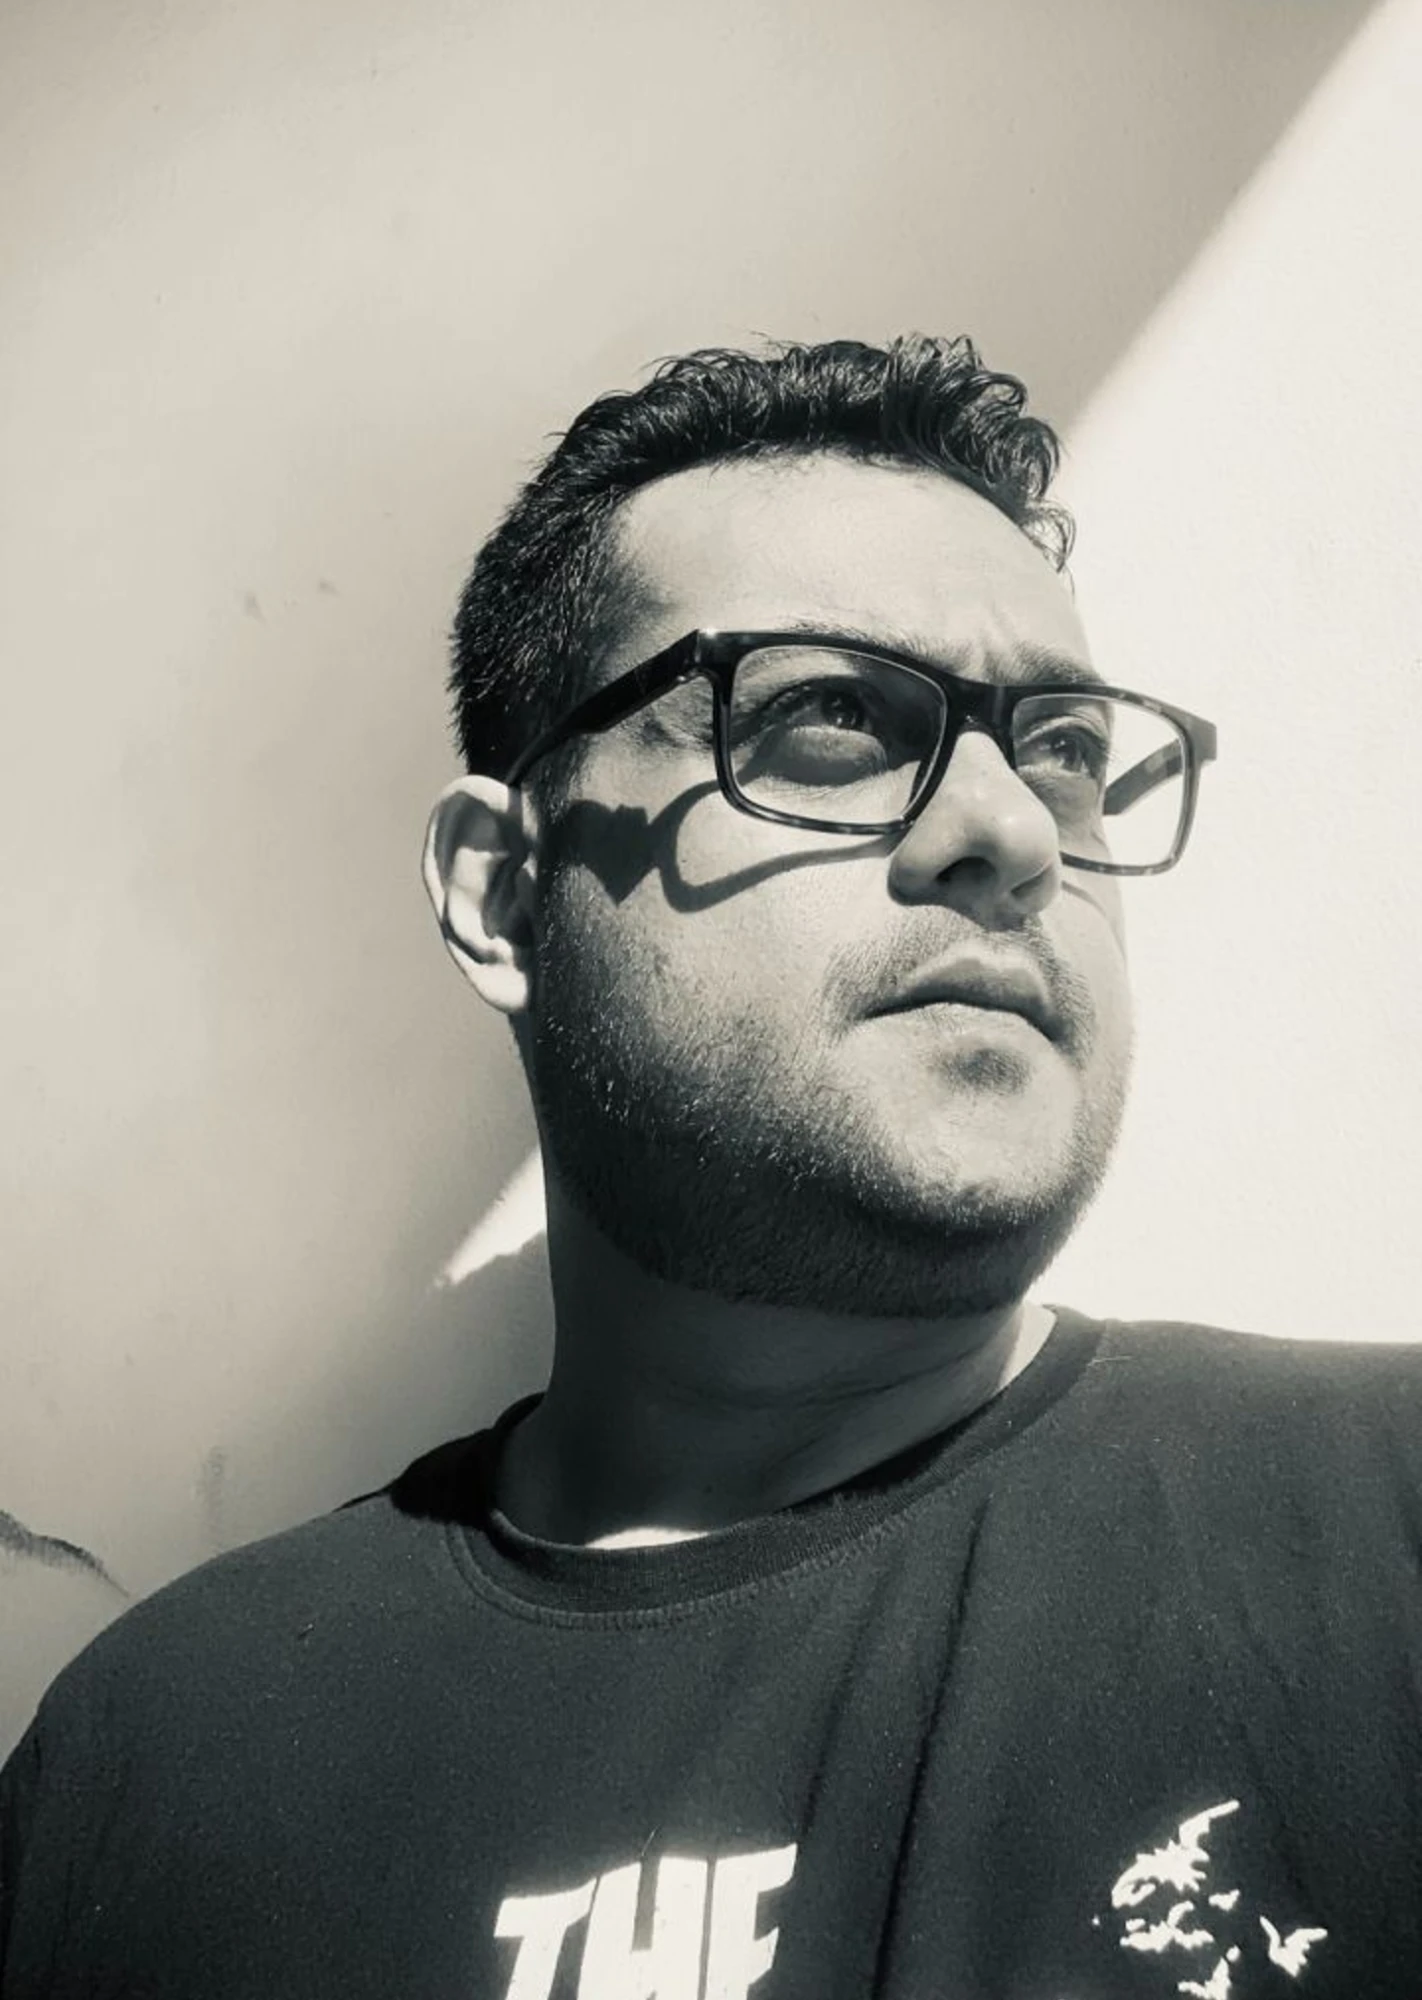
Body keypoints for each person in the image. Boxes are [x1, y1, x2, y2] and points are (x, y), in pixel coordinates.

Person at [1, 336, 1418, 2000]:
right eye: (830, 714)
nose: (1015, 834)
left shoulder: (1384, 1539)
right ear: (499, 891)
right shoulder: (157, 1764)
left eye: (1061, 748)